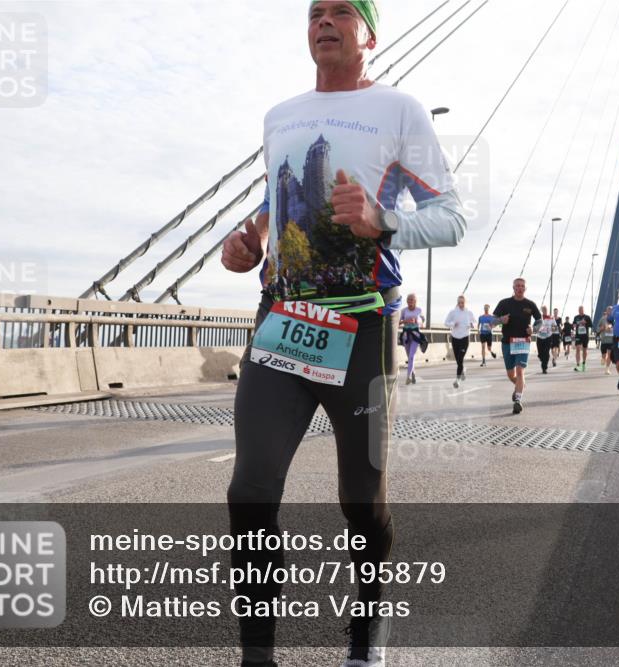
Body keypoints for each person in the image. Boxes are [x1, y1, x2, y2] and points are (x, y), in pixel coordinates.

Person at [220, 3, 466, 664]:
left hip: (361, 325)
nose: (323, 21)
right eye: (314, 13)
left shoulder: (399, 110)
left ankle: (369, 619)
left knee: (360, 501)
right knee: (249, 488)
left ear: (369, 34)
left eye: (340, 12)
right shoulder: (281, 116)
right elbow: (279, 197)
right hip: (282, 319)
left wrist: (382, 221)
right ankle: (257, 655)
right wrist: (250, 240)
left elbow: (451, 218)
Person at [493, 278, 541, 414]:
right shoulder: (504, 303)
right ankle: (520, 385)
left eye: (522, 286)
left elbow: (539, 320)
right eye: (517, 286)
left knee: (520, 371)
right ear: (513, 288)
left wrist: (534, 329)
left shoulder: (530, 304)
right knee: (511, 374)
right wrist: (501, 320)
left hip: (523, 341)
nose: (519, 288)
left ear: (525, 289)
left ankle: (518, 400)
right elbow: (492, 321)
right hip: (507, 342)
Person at [444, 295, 476, 388]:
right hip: (455, 337)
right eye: (459, 302)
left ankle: (457, 380)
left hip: (465, 337)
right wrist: (453, 324)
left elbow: (474, 322)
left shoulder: (469, 312)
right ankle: (462, 370)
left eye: (463, 302)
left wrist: (471, 324)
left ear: (465, 303)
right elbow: (446, 323)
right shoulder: (453, 312)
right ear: (457, 303)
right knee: (458, 360)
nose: (461, 304)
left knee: (460, 358)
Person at [399, 294, 426, 385]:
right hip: (406, 335)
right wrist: (405, 321)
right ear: (407, 301)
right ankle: (413, 373)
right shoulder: (403, 311)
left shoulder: (419, 310)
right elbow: (398, 323)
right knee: (409, 356)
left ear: (415, 301)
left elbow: (422, 323)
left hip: (415, 335)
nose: (410, 302)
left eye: (412, 300)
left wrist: (416, 321)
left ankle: (408, 377)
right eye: (409, 300)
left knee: (411, 356)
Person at [572, 306, 593, 372]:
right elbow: (573, 325)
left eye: (581, 309)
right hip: (578, 335)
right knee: (577, 349)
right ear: (578, 310)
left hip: (585, 336)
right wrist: (574, 325)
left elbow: (591, 325)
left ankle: (583, 363)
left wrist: (585, 323)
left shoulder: (587, 317)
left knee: (584, 350)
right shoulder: (576, 317)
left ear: (583, 310)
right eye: (579, 309)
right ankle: (578, 365)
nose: (580, 310)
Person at [535, 305, 555, 374]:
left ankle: (544, 368)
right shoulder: (538, 318)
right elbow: (534, 326)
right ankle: (542, 358)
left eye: (546, 310)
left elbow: (554, 326)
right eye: (543, 310)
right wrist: (536, 329)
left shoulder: (551, 318)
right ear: (542, 311)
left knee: (546, 353)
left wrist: (552, 329)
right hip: (540, 337)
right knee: (540, 353)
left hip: (548, 337)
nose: (545, 311)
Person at [598, 305, 614, 375]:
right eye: (609, 310)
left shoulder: (615, 319)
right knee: (604, 355)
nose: (610, 311)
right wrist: (603, 328)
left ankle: (607, 369)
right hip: (604, 340)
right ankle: (603, 358)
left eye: (611, 310)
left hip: (612, 340)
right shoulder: (602, 319)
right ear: (606, 311)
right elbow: (597, 329)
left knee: (610, 355)